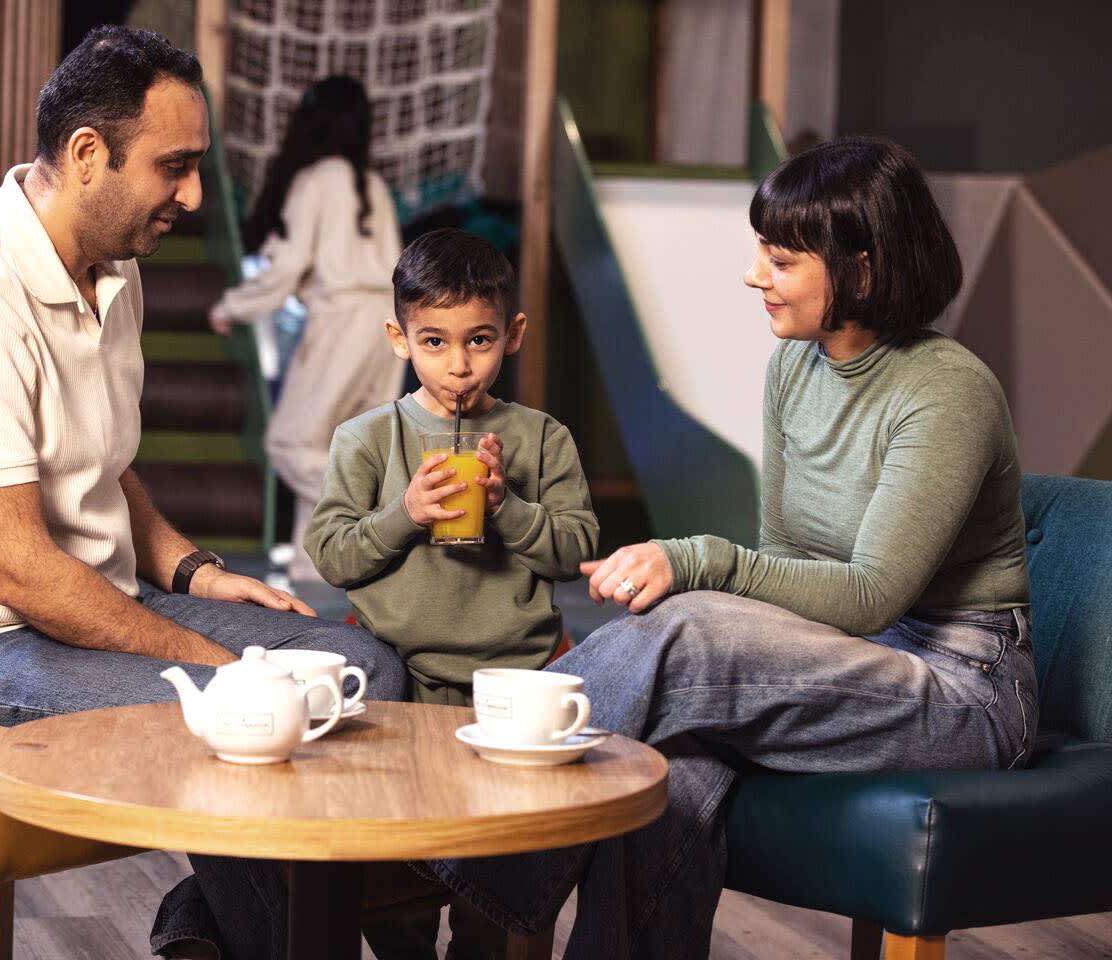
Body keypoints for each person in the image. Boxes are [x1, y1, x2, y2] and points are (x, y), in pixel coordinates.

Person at [0, 25, 405, 948]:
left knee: (363, 672)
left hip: (89, 607)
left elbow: (100, 462)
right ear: (87, 155)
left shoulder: (113, 267)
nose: (191, 194)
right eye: (174, 167)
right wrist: (216, 668)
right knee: (248, 710)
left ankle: (205, 931)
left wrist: (195, 574)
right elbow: (19, 570)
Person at [417, 135, 1038, 958]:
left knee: (694, 627)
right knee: (668, 768)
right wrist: (709, 580)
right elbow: (788, 565)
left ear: (859, 265)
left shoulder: (947, 390)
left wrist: (698, 560)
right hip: (859, 659)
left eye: (780, 261)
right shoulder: (795, 369)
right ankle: (485, 859)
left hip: (965, 685)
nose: (755, 277)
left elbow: (869, 595)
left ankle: (460, 839)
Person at [302, 226, 599, 957]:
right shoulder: (367, 440)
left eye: (480, 340)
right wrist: (402, 515)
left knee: (496, 876)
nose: (459, 365)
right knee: (393, 868)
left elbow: (578, 548)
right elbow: (331, 555)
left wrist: (508, 507)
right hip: (395, 685)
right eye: (433, 342)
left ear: (514, 335)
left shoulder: (542, 439)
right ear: (398, 339)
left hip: (512, 685)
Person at [208, 75, 406, 584]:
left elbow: (287, 266)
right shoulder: (375, 186)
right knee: (348, 448)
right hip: (388, 327)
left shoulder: (315, 179)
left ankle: (381, 524)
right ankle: (315, 563)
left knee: (291, 443)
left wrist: (234, 306)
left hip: (341, 323)